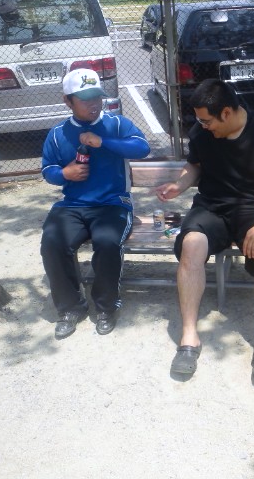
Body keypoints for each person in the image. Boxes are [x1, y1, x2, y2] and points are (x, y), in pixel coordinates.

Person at [155, 79, 254, 383]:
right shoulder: (203, 132)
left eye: (207, 121)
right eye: (199, 121)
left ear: (227, 113)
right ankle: (189, 337)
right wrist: (179, 184)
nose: (202, 126)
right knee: (191, 244)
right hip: (213, 206)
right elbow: (195, 165)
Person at [41, 68, 150, 339]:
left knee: (107, 241)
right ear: (68, 101)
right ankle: (70, 308)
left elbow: (142, 148)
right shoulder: (57, 133)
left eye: (97, 97)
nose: (94, 104)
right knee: (53, 242)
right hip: (72, 205)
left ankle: (106, 307)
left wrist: (103, 141)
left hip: (114, 204)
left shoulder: (116, 124)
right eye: (85, 99)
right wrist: (64, 174)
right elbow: (48, 170)